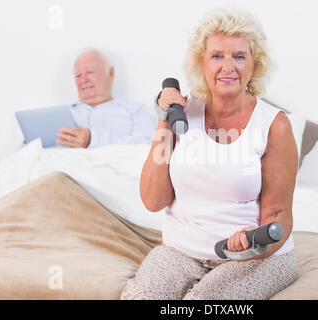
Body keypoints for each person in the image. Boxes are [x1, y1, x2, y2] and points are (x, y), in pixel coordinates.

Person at [121, 8, 299, 300]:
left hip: (256, 258)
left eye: (239, 56)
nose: (228, 67)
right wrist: (164, 121)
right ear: (201, 64)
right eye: (217, 56)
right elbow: (153, 200)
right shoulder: (182, 114)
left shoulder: (275, 125)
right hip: (182, 251)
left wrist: (253, 245)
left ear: (255, 64)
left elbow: (279, 215)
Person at [56, 48, 156, 148]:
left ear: (111, 73)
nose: (83, 80)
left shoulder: (136, 110)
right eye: (78, 75)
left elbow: (149, 144)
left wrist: (93, 140)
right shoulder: (60, 114)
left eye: (90, 72)